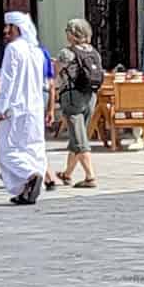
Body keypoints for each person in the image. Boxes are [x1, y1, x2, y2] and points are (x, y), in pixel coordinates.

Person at [0, 7, 50, 204]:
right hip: (34, 108)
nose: (5, 32)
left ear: (17, 28)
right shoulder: (36, 52)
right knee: (32, 147)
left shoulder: (14, 49)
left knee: (7, 147)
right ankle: (26, 189)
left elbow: (7, 82)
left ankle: (29, 174)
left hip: (15, 109)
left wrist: (0, 109)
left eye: (8, 27)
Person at [56, 15, 103, 187]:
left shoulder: (67, 53)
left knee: (79, 139)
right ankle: (67, 174)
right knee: (78, 135)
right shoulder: (93, 52)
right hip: (90, 96)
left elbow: (57, 72)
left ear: (72, 34)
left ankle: (90, 176)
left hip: (72, 97)